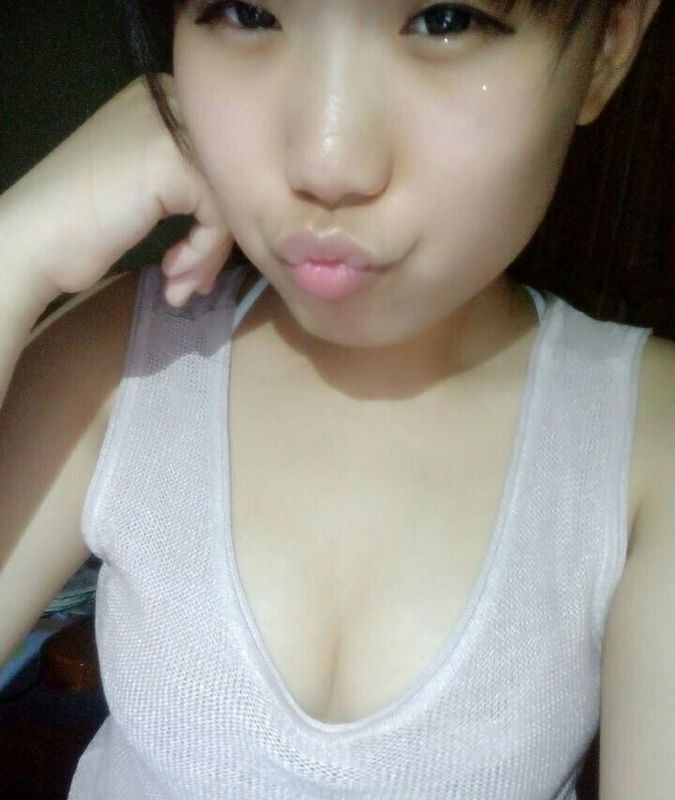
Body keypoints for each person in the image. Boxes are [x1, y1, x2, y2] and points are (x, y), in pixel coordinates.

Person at [0, 0, 672, 797]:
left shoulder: (645, 442)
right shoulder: (120, 358)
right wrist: (17, 248)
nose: (326, 163)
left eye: (444, 20)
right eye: (246, 11)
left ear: (609, 43)